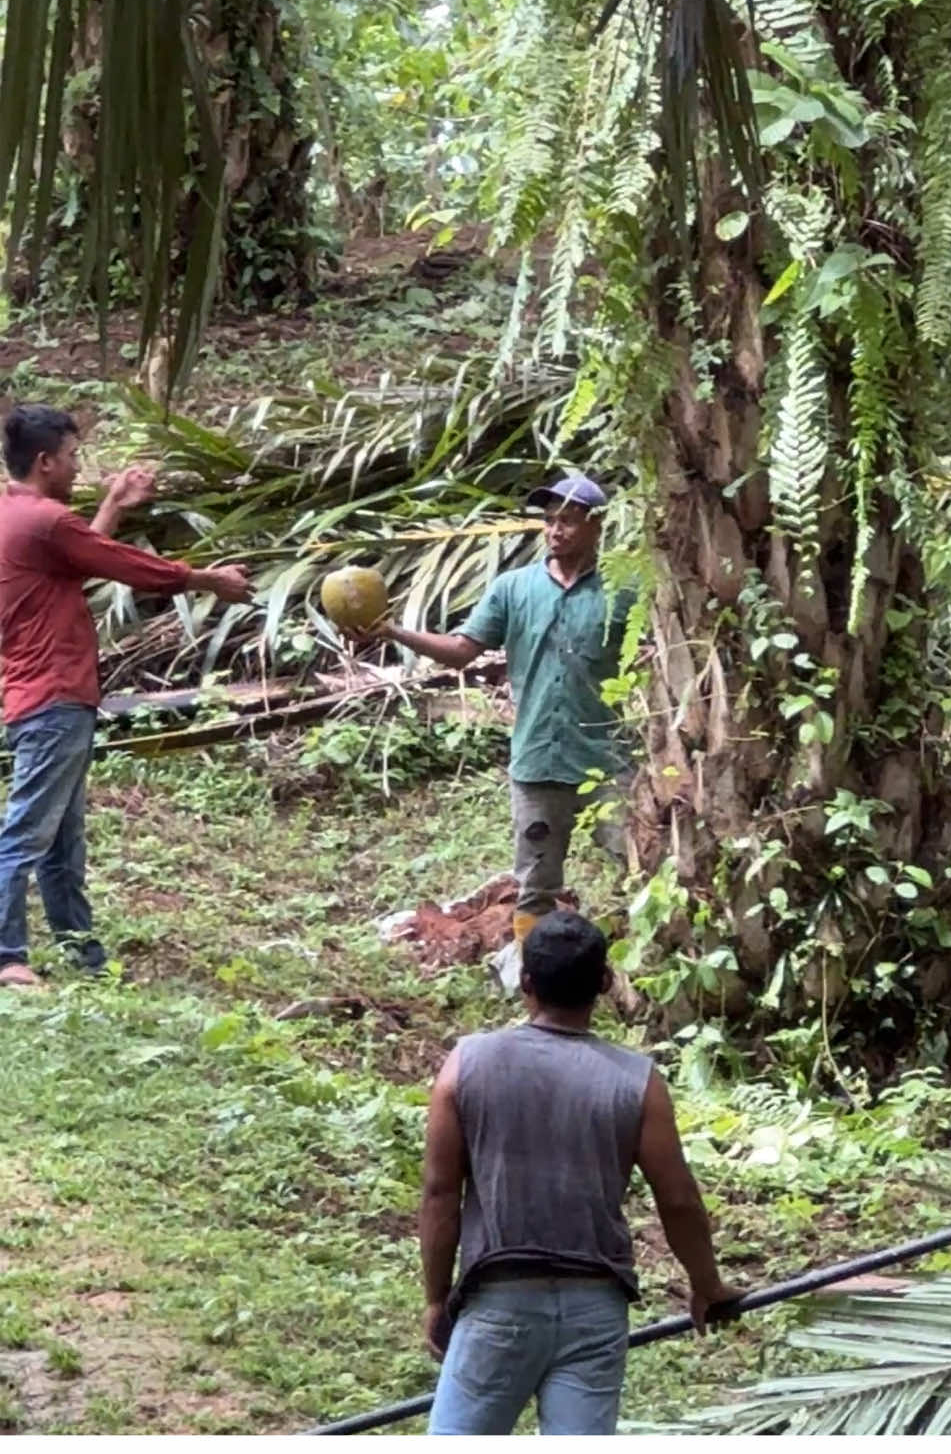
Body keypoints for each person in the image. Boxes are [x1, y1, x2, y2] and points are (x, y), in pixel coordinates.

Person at [419, 910, 741, 1436]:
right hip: (595, 1307)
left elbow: (439, 1194)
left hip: (500, 1300)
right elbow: (678, 1198)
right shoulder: (638, 1081)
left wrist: (436, 1299)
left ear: (525, 983)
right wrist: (707, 1284)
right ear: (605, 984)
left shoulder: (468, 1063)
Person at [343, 472, 636, 979]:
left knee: (637, 867)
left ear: (596, 525)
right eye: (549, 521)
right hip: (538, 762)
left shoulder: (625, 590)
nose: (556, 531)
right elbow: (461, 652)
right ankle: (535, 979)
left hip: (606, 761)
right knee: (537, 883)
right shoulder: (513, 588)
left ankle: (641, 968)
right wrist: (391, 630)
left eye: (568, 520)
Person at [0, 403, 253, 986]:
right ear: (45, 461)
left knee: (63, 843)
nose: (76, 465)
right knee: (28, 833)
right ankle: (8, 956)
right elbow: (122, 565)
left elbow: (81, 558)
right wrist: (208, 579)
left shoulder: (24, 518)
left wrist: (113, 504)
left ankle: (83, 957)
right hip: (54, 696)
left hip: (45, 696)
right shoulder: (45, 520)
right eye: (71, 457)